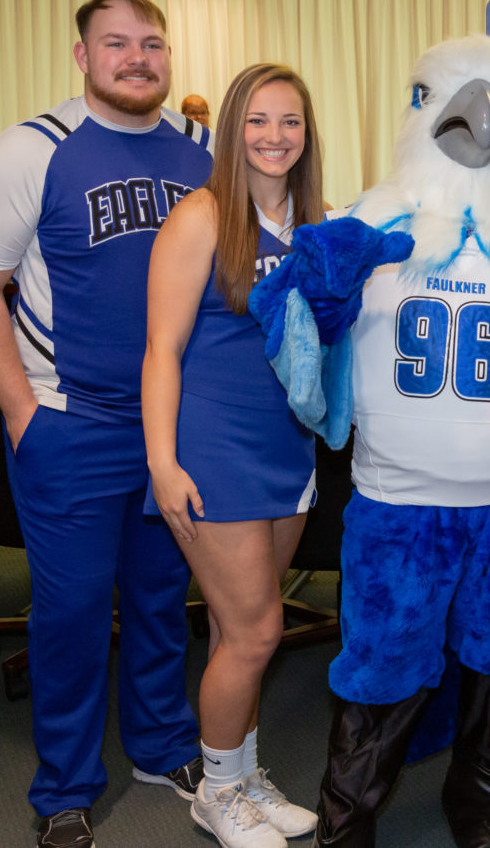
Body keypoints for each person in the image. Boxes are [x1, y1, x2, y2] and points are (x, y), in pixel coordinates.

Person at [0, 0, 212, 848]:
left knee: (162, 595)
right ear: (83, 57)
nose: (138, 59)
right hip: (71, 424)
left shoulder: (203, 153)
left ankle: (163, 744)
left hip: (171, 425)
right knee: (69, 610)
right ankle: (63, 784)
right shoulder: (33, 151)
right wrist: (22, 413)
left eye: (152, 44)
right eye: (117, 44)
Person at [142, 63, 323, 848]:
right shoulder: (202, 216)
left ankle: (243, 775)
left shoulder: (313, 225)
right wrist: (163, 461)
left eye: (289, 121)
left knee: (235, 628)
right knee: (256, 632)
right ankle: (217, 792)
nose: (274, 137)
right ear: (232, 130)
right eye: (257, 120)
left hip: (289, 447)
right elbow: (161, 350)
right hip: (214, 448)